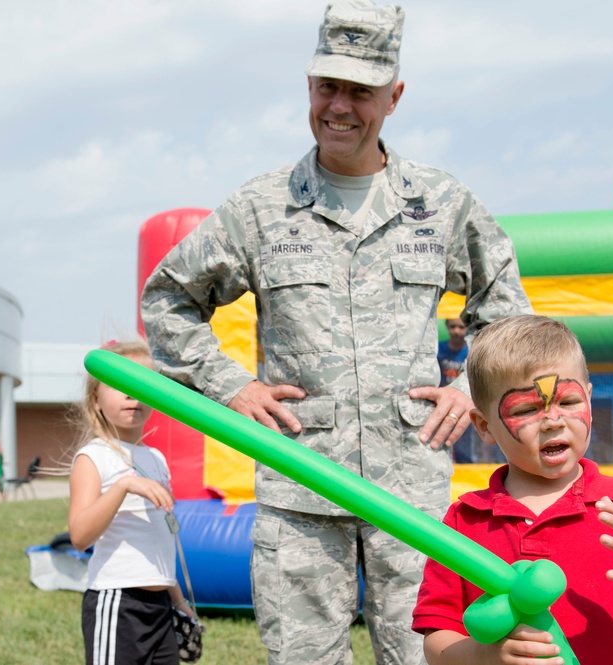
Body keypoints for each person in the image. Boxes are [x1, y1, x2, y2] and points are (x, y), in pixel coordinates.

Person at [140, 3, 532, 662]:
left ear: (394, 95)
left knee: (424, 655)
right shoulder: (261, 208)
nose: (339, 106)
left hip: (409, 490)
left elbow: (509, 309)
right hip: (301, 484)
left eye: (360, 90)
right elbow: (166, 301)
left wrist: (469, 385)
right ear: (308, 88)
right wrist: (232, 386)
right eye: (327, 86)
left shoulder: (438, 203)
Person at [412, 315, 613, 664]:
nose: (553, 420)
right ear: (484, 426)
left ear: (591, 401)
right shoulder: (466, 520)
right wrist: (484, 655)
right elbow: (437, 643)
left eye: (567, 402)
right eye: (525, 409)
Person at [68, 339, 195, 665]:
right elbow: (80, 536)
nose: (131, 393)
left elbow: (158, 538)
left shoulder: (156, 458)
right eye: (119, 384)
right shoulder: (94, 456)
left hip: (161, 608)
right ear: (95, 399)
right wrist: (123, 486)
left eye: (141, 383)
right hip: (118, 603)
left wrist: (177, 599)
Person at [438, 319, 484, 463]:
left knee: (465, 444)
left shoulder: (470, 353)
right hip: (443, 402)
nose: (456, 331)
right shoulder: (438, 350)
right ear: (446, 327)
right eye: (452, 327)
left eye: (461, 327)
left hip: (466, 402)